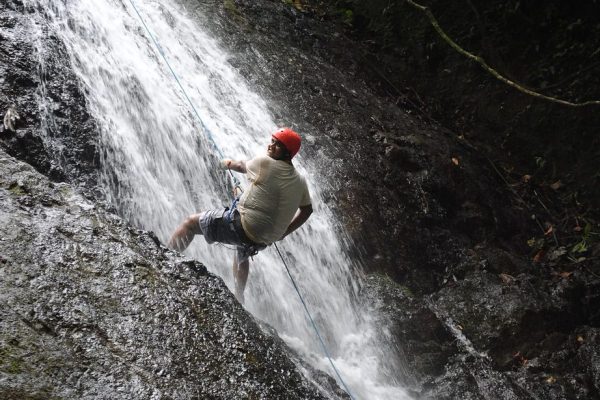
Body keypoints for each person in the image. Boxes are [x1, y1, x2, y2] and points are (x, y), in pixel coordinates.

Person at [168, 127, 313, 303]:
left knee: (190, 223)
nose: (271, 146)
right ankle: (239, 295)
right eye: (272, 141)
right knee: (242, 248)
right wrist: (284, 233)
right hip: (263, 240)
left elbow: (241, 166)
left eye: (277, 145)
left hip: (243, 227)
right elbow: (307, 210)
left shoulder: (265, 163)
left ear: (288, 153)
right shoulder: (300, 180)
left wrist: (225, 163)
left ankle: (163, 258)